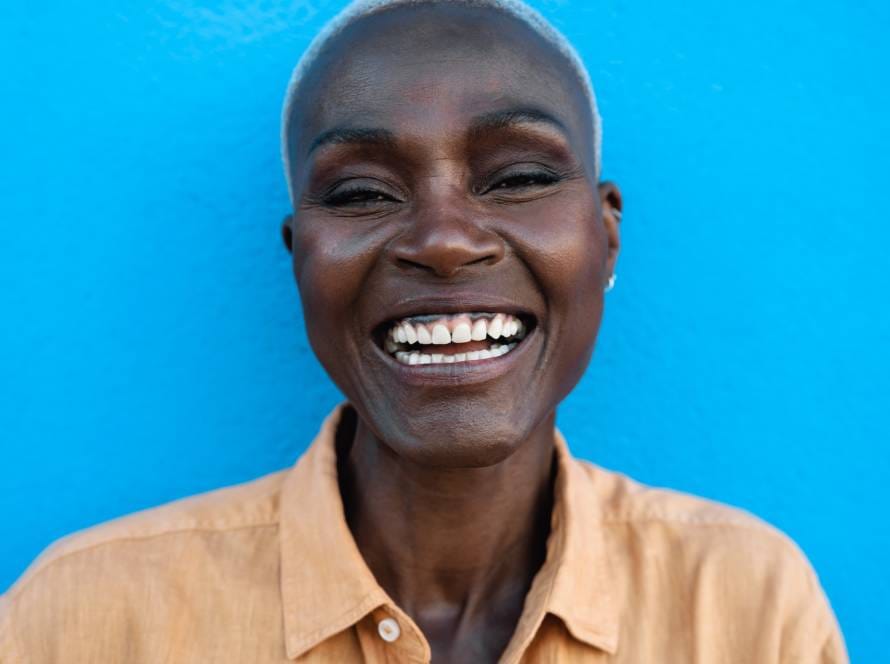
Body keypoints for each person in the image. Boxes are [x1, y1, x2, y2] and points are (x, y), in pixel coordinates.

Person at [0, 1, 848, 662]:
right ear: (301, 260)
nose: (443, 239)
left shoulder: (747, 604)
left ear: (606, 236)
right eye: (361, 193)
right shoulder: (81, 619)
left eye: (517, 177)